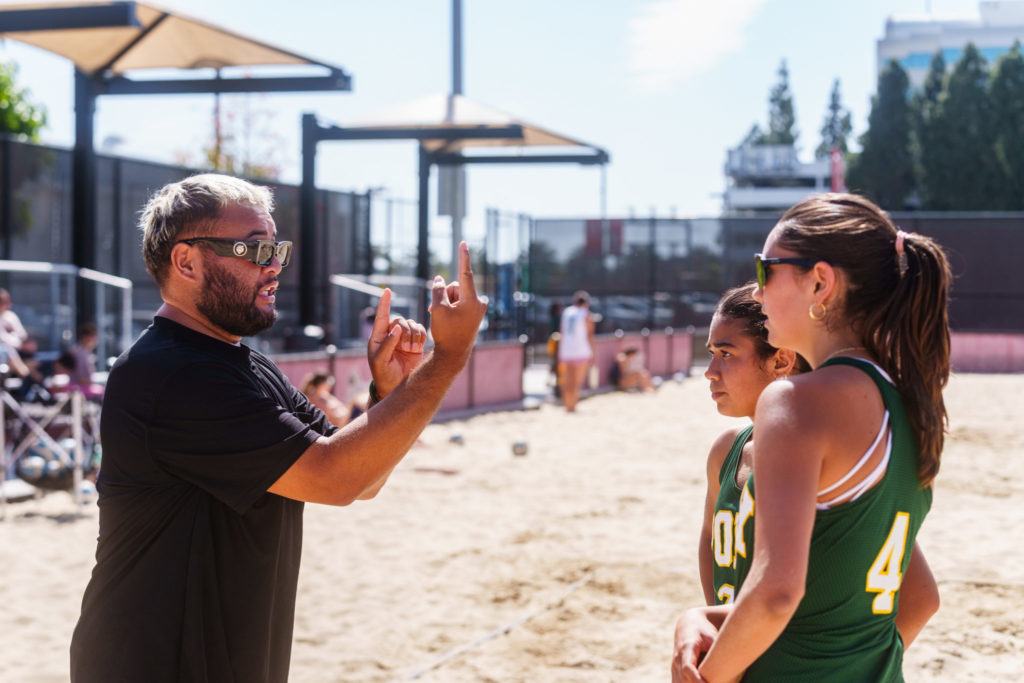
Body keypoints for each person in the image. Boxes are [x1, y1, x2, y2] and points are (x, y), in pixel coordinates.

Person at [69, 174, 487, 682]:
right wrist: (449, 357)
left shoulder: (239, 362)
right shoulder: (172, 372)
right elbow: (337, 478)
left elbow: (361, 480)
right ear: (186, 262)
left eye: (276, 250)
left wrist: (389, 390)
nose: (273, 268)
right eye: (252, 249)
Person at [673, 193, 949, 682]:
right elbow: (914, 599)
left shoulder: (795, 402)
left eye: (765, 271)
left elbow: (777, 593)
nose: (756, 292)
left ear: (820, 282)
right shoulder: (907, 401)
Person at [557, 290, 595, 412]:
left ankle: (567, 404)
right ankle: (573, 405)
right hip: (581, 350)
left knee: (567, 380)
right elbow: (590, 335)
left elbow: (562, 332)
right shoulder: (586, 314)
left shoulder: (567, 312)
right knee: (577, 381)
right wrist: (593, 352)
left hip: (566, 350)